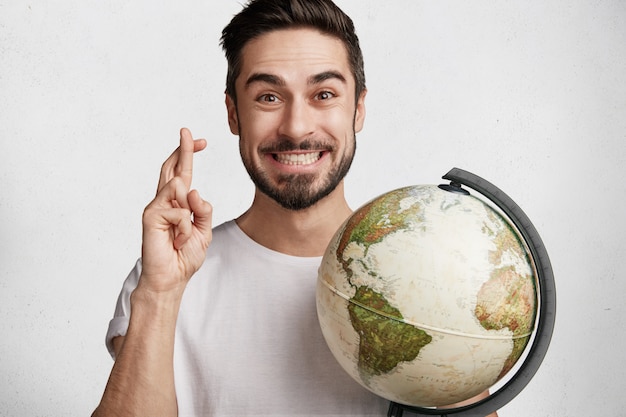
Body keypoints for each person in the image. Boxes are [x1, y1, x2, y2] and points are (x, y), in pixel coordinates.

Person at [92, 1, 497, 416]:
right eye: (268, 96)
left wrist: (453, 315)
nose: (296, 126)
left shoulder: (429, 270)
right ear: (234, 113)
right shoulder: (168, 276)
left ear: (358, 108)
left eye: (324, 94)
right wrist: (160, 294)